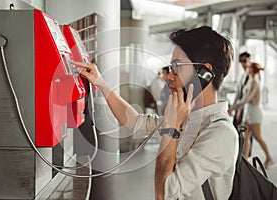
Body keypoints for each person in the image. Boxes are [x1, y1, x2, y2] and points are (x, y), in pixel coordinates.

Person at [74, 26, 238, 200]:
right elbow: (135, 122)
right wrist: (100, 83)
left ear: (203, 73)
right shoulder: (190, 118)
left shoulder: (220, 134)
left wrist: (171, 128)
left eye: (177, 66)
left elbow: (164, 193)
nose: (170, 76)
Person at [231, 62, 273, 168]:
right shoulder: (250, 79)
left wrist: (234, 107)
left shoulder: (255, 81)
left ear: (252, 69)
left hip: (255, 112)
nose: (246, 68)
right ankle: (244, 161)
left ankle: (269, 158)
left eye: (248, 67)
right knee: (246, 136)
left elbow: (247, 98)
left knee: (257, 136)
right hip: (249, 112)